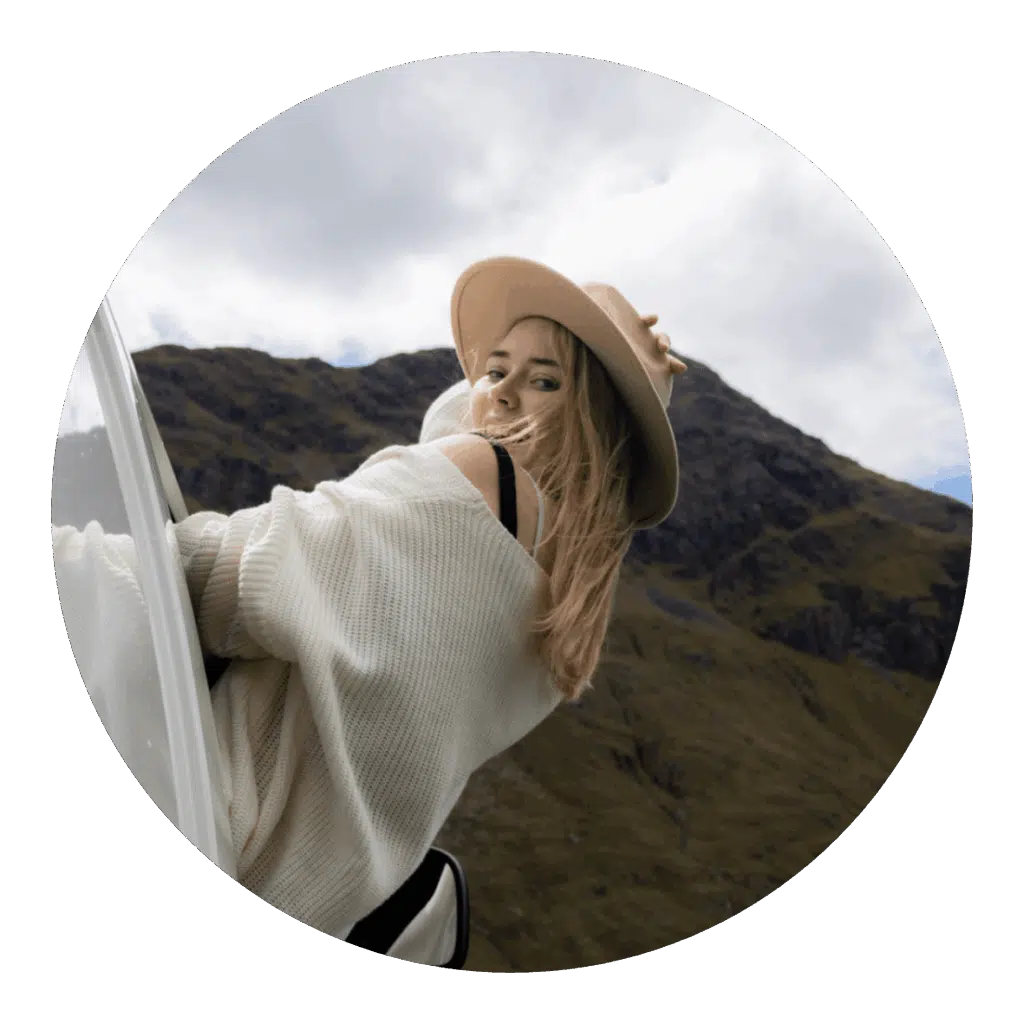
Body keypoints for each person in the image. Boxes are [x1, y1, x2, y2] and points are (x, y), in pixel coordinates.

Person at [51, 255, 687, 944]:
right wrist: (613, 357)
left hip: (196, 802)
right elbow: (466, 418)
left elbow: (227, 578)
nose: (498, 393)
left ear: (595, 418)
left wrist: (68, 554)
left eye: (546, 380)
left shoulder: (481, 479)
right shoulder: (551, 614)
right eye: (496, 369)